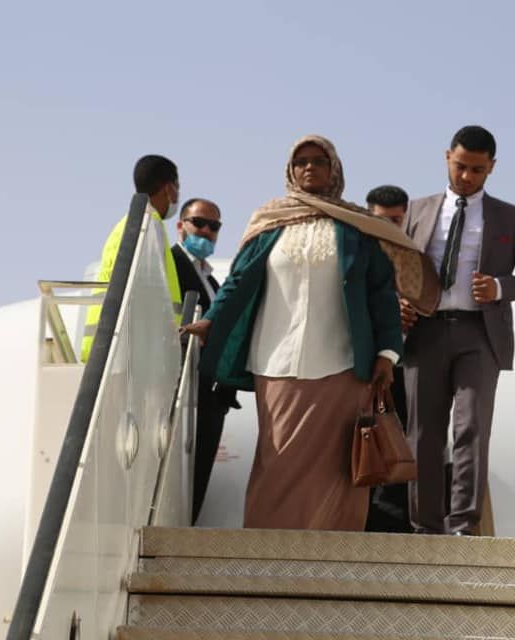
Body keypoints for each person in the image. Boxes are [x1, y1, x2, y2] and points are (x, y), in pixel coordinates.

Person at [182, 135, 436, 531]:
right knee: (277, 457)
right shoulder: (270, 223)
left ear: (334, 169)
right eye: (301, 161)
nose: (310, 168)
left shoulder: (356, 228)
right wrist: (211, 320)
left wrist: (387, 354)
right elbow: (237, 280)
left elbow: (381, 292)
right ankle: (268, 546)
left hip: (343, 365)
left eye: (319, 161)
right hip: (276, 361)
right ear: (290, 170)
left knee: (335, 467)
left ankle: (329, 550)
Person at [403, 125, 515, 535]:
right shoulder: (417, 210)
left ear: (492, 168)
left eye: (477, 170)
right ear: (447, 157)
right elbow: (397, 266)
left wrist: (500, 287)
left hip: (479, 335)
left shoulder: (509, 217)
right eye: (460, 166)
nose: (466, 176)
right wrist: (401, 299)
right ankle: (425, 528)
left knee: (471, 428)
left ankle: (464, 527)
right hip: (426, 331)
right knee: (423, 433)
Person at [171, 198, 240, 523]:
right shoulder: (171, 264)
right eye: (199, 223)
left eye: (214, 226)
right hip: (184, 389)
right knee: (181, 481)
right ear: (180, 225)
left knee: (196, 482)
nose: (207, 232)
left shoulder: (212, 282)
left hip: (211, 394)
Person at [81, 155, 183, 362]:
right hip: (130, 351)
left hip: (109, 345)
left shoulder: (127, 224)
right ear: (168, 188)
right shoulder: (149, 225)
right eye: (177, 186)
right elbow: (151, 292)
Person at [363, 184, 413, 533]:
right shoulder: (356, 255)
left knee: (400, 441)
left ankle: (395, 524)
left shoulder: (416, 257)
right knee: (363, 441)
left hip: (406, 369)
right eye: (382, 220)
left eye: (396, 220)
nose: (390, 227)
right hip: (364, 369)